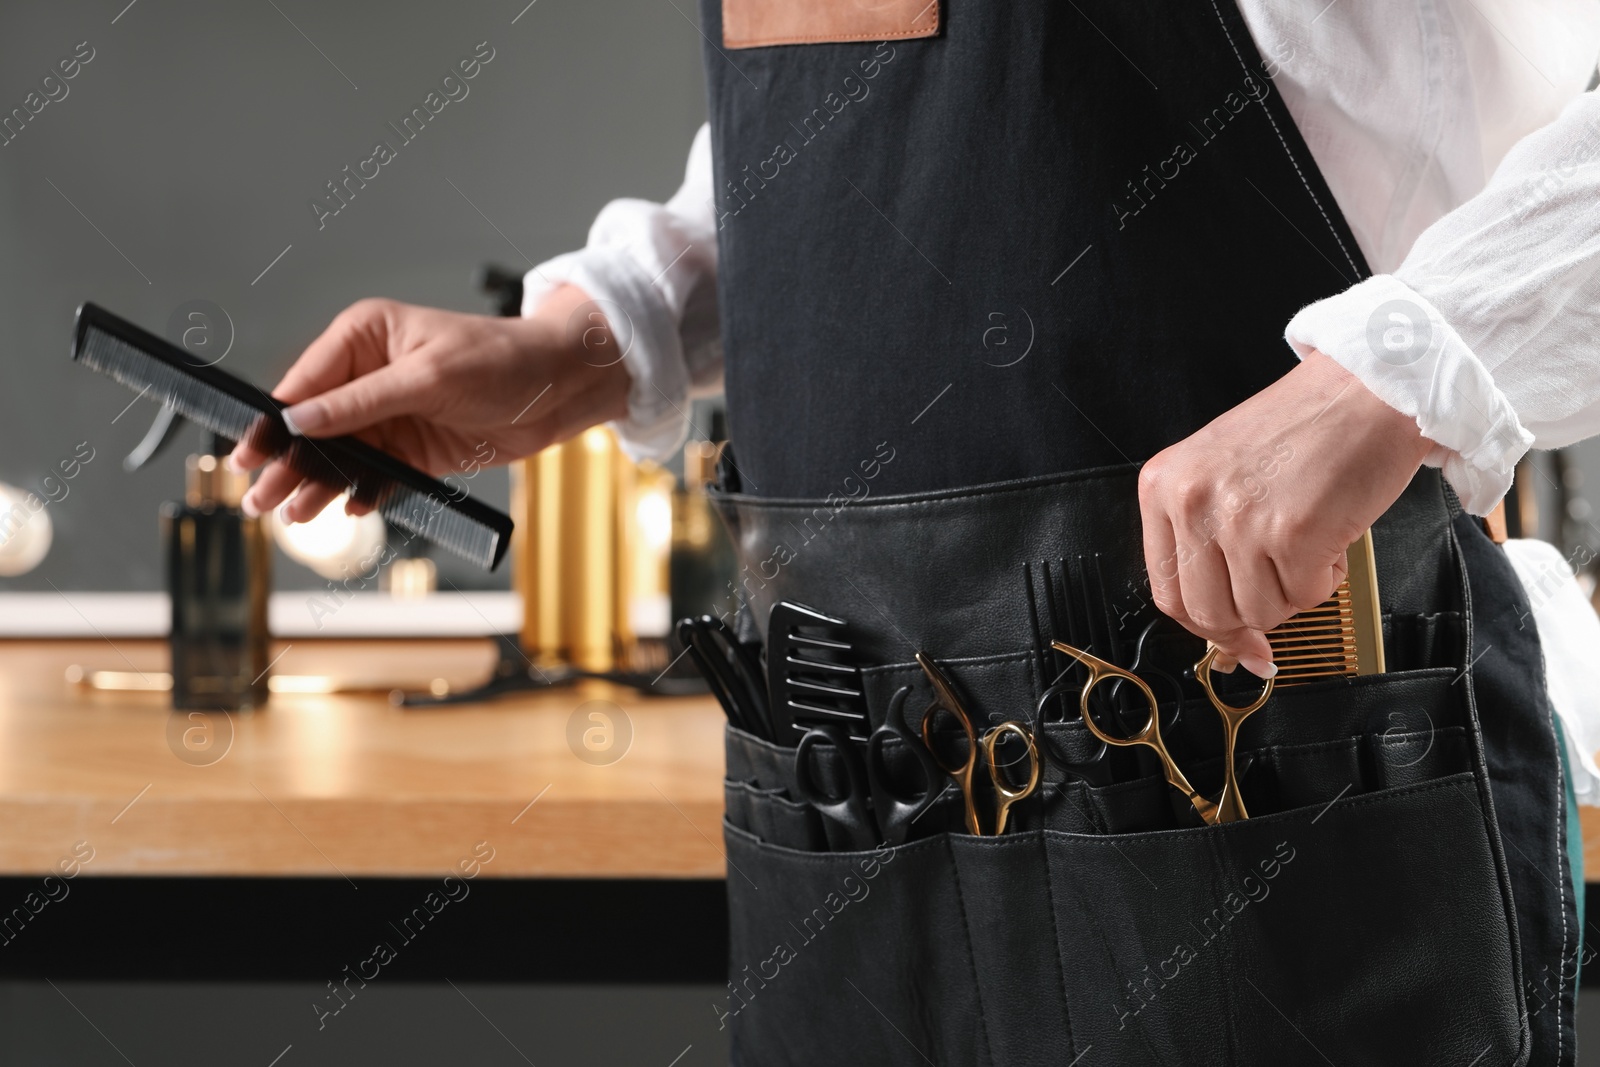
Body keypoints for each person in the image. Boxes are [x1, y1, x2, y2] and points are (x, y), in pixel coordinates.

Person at [233, 3, 1600, 1062]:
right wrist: (592, 337)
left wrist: (1399, 371)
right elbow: (868, 121)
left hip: (1290, 793)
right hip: (850, 823)